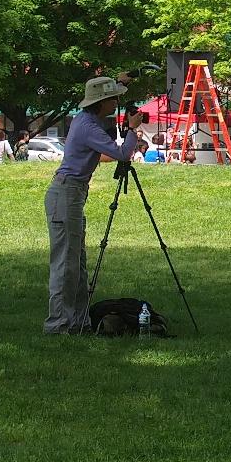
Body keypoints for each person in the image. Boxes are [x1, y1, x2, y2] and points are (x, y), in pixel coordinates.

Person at [43, 76, 142, 336]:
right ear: (101, 102)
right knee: (66, 264)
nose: (116, 102)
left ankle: (79, 322)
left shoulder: (85, 120)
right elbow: (122, 153)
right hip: (68, 194)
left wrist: (120, 81)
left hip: (72, 193)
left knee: (77, 263)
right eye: (113, 98)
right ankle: (58, 325)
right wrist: (132, 130)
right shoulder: (88, 127)